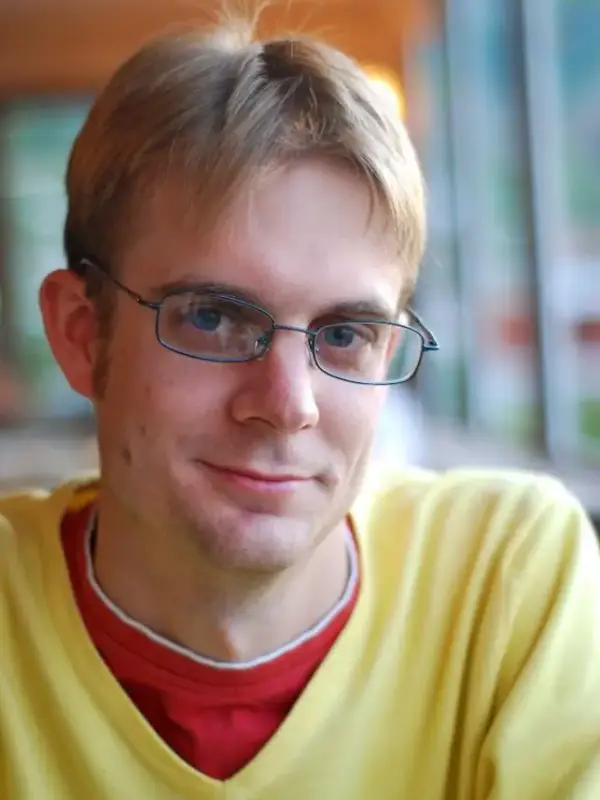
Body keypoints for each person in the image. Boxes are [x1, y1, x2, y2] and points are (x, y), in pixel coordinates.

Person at [1, 14, 600, 800]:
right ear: (81, 336)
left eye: (346, 332)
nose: (287, 406)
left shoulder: (506, 579)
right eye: (212, 318)